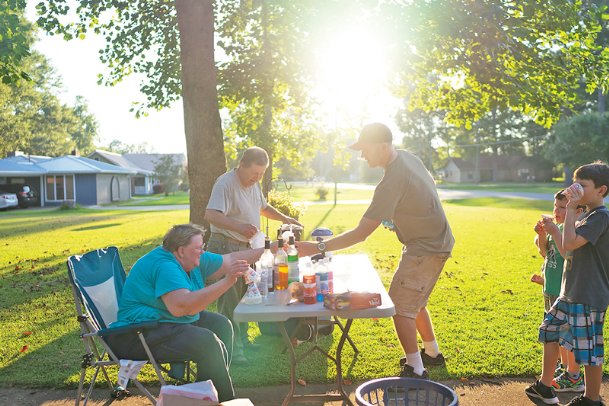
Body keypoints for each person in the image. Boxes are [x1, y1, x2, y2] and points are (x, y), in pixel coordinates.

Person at [297, 122, 454, 379]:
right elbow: (426, 188)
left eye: (365, 149)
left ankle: (415, 369)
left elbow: (361, 233)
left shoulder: (391, 181)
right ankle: (432, 353)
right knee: (415, 300)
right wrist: (402, 216)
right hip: (437, 241)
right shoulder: (408, 158)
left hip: (425, 248)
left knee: (399, 306)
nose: (362, 155)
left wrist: (317, 247)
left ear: (382, 146)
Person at [106, 224, 263, 402]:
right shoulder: (165, 266)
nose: (202, 252)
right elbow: (182, 307)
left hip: (164, 321)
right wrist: (227, 282)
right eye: (199, 248)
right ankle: (225, 401)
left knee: (221, 325)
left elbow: (231, 259)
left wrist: (270, 249)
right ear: (181, 250)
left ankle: (203, 397)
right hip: (136, 334)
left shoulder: (189, 257)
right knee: (207, 343)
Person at [204, 146, 302, 364]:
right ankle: (232, 350)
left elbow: (263, 207)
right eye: (254, 173)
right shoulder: (225, 183)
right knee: (229, 301)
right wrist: (238, 226)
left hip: (246, 248)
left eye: (261, 174)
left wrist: (285, 219)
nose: (257, 178)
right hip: (225, 247)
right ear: (241, 165)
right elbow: (210, 214)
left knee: (247, 297)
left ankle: (244, 342)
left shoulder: (254, 184)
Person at [525, 162, 609, 406]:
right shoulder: (588, 216)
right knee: (550, 330)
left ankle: (592, 399)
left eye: (582, 186)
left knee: (589, 351)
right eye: (576, 184)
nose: (576, 190)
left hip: (588, 294)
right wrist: (552, 230)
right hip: (569, 292)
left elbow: (570, 244)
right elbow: (565, 249)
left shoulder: (600, 218)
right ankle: (545, 385)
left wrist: (571, 208)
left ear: (601, 190)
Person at [531, 191, 585, 393]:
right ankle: (565, 372)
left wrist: (554, 232)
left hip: (566, 293)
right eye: (555, 206)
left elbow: (567, 254)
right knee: (557, 336)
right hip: (551, 291)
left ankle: (574, 377)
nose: (557, 211)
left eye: (563, 207)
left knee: (567, 337)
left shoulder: (571, 232)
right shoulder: (559, 228)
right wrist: (542, 235)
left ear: (577, 212)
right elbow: (546, 253)